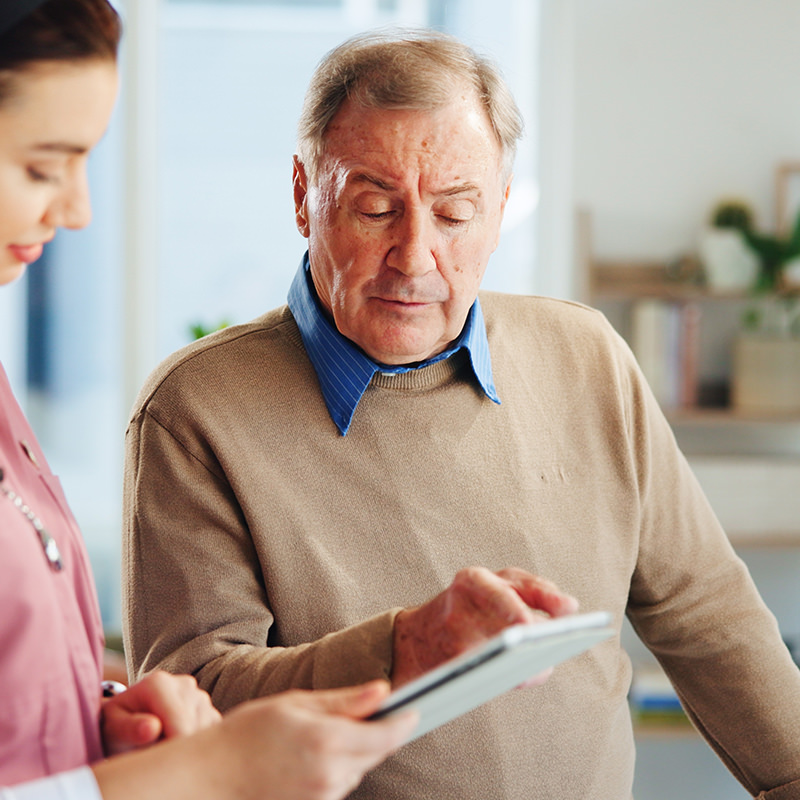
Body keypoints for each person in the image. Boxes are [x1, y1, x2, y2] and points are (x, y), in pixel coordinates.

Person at [122, 27, 800, 800]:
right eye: (376, 208)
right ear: (304, 198)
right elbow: (193, 705)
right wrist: (405, 649)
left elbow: (705, 612)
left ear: (501, 209)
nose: (415, 256)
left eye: (454, 214)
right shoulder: (194, 411)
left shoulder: (586, 355)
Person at [0, 3, 416, 799]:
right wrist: (202, 774)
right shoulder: (194, 409)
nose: (78, 209)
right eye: (43, 167)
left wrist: (102, 720)